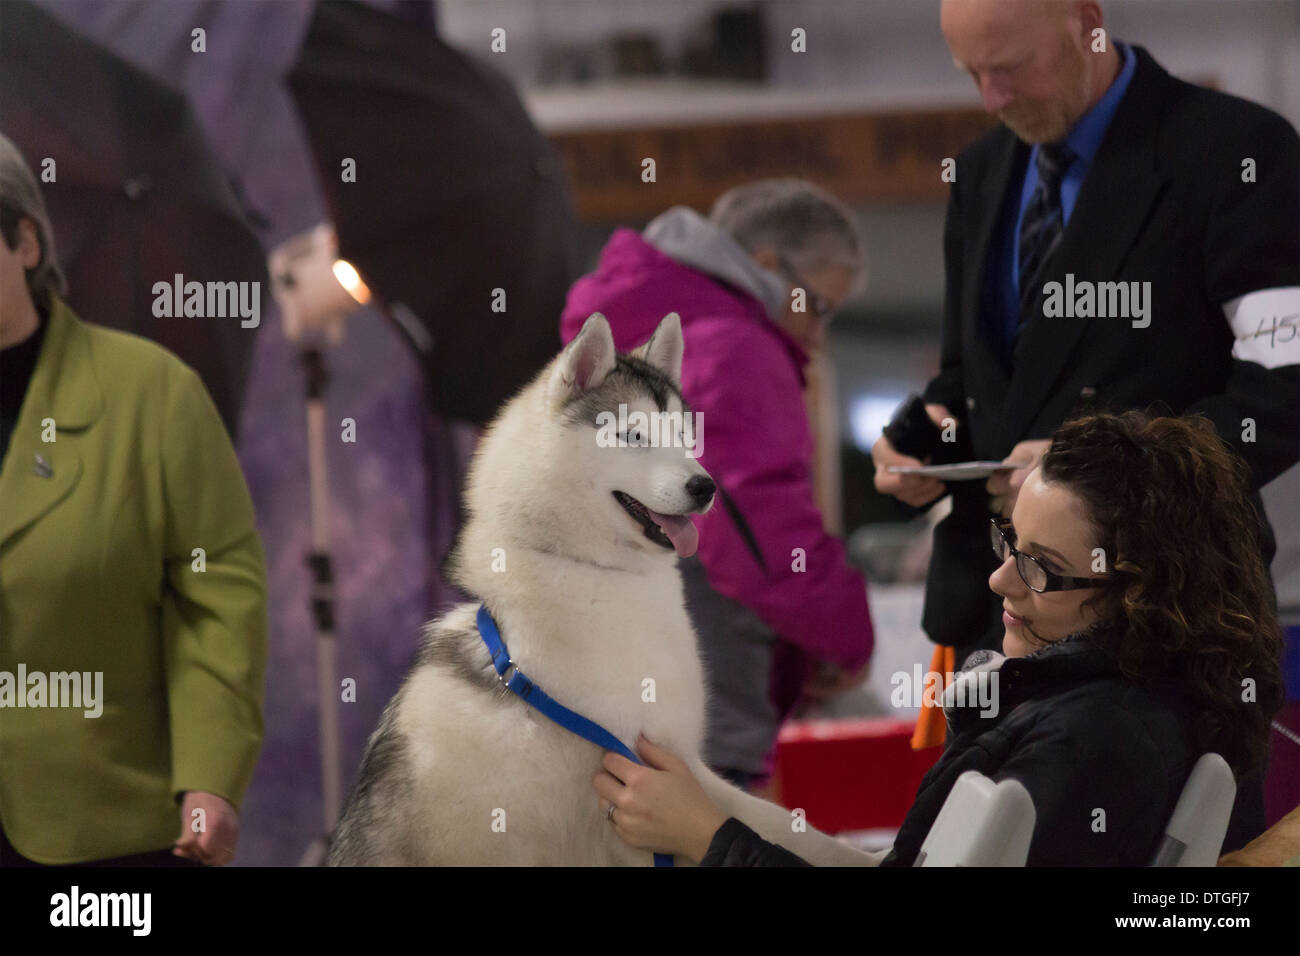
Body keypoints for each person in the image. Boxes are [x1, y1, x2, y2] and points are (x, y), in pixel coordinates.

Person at [870, 0, 1299, 849]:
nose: (992, 96)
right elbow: (972, 377)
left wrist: (1101, 472)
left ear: (1086, 22)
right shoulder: (984, 170)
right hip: (999, 605)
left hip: (1158, 623)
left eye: (1012, 67)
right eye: (971, 74)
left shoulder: (1235, 152)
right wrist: (923, 438)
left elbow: (1285, 384)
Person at [592, 412, 1286, 866]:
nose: (999, 581)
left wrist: (706, 839)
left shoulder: (1085, 745)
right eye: (1009, 540)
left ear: (1138, 589)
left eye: (1041, 567)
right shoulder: (1147, 703)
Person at [0, 132, 267, 866]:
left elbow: (220, 599)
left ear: (25, 242)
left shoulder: (154, 395)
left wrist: (211, 778)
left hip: (107, 838)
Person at [559, 179, 872, 790]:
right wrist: (845, 634)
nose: (820, 331)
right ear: (767, 266)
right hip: (700, 688)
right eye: (820, 306)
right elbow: (758, 531)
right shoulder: (730, 348)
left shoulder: (632, 326)